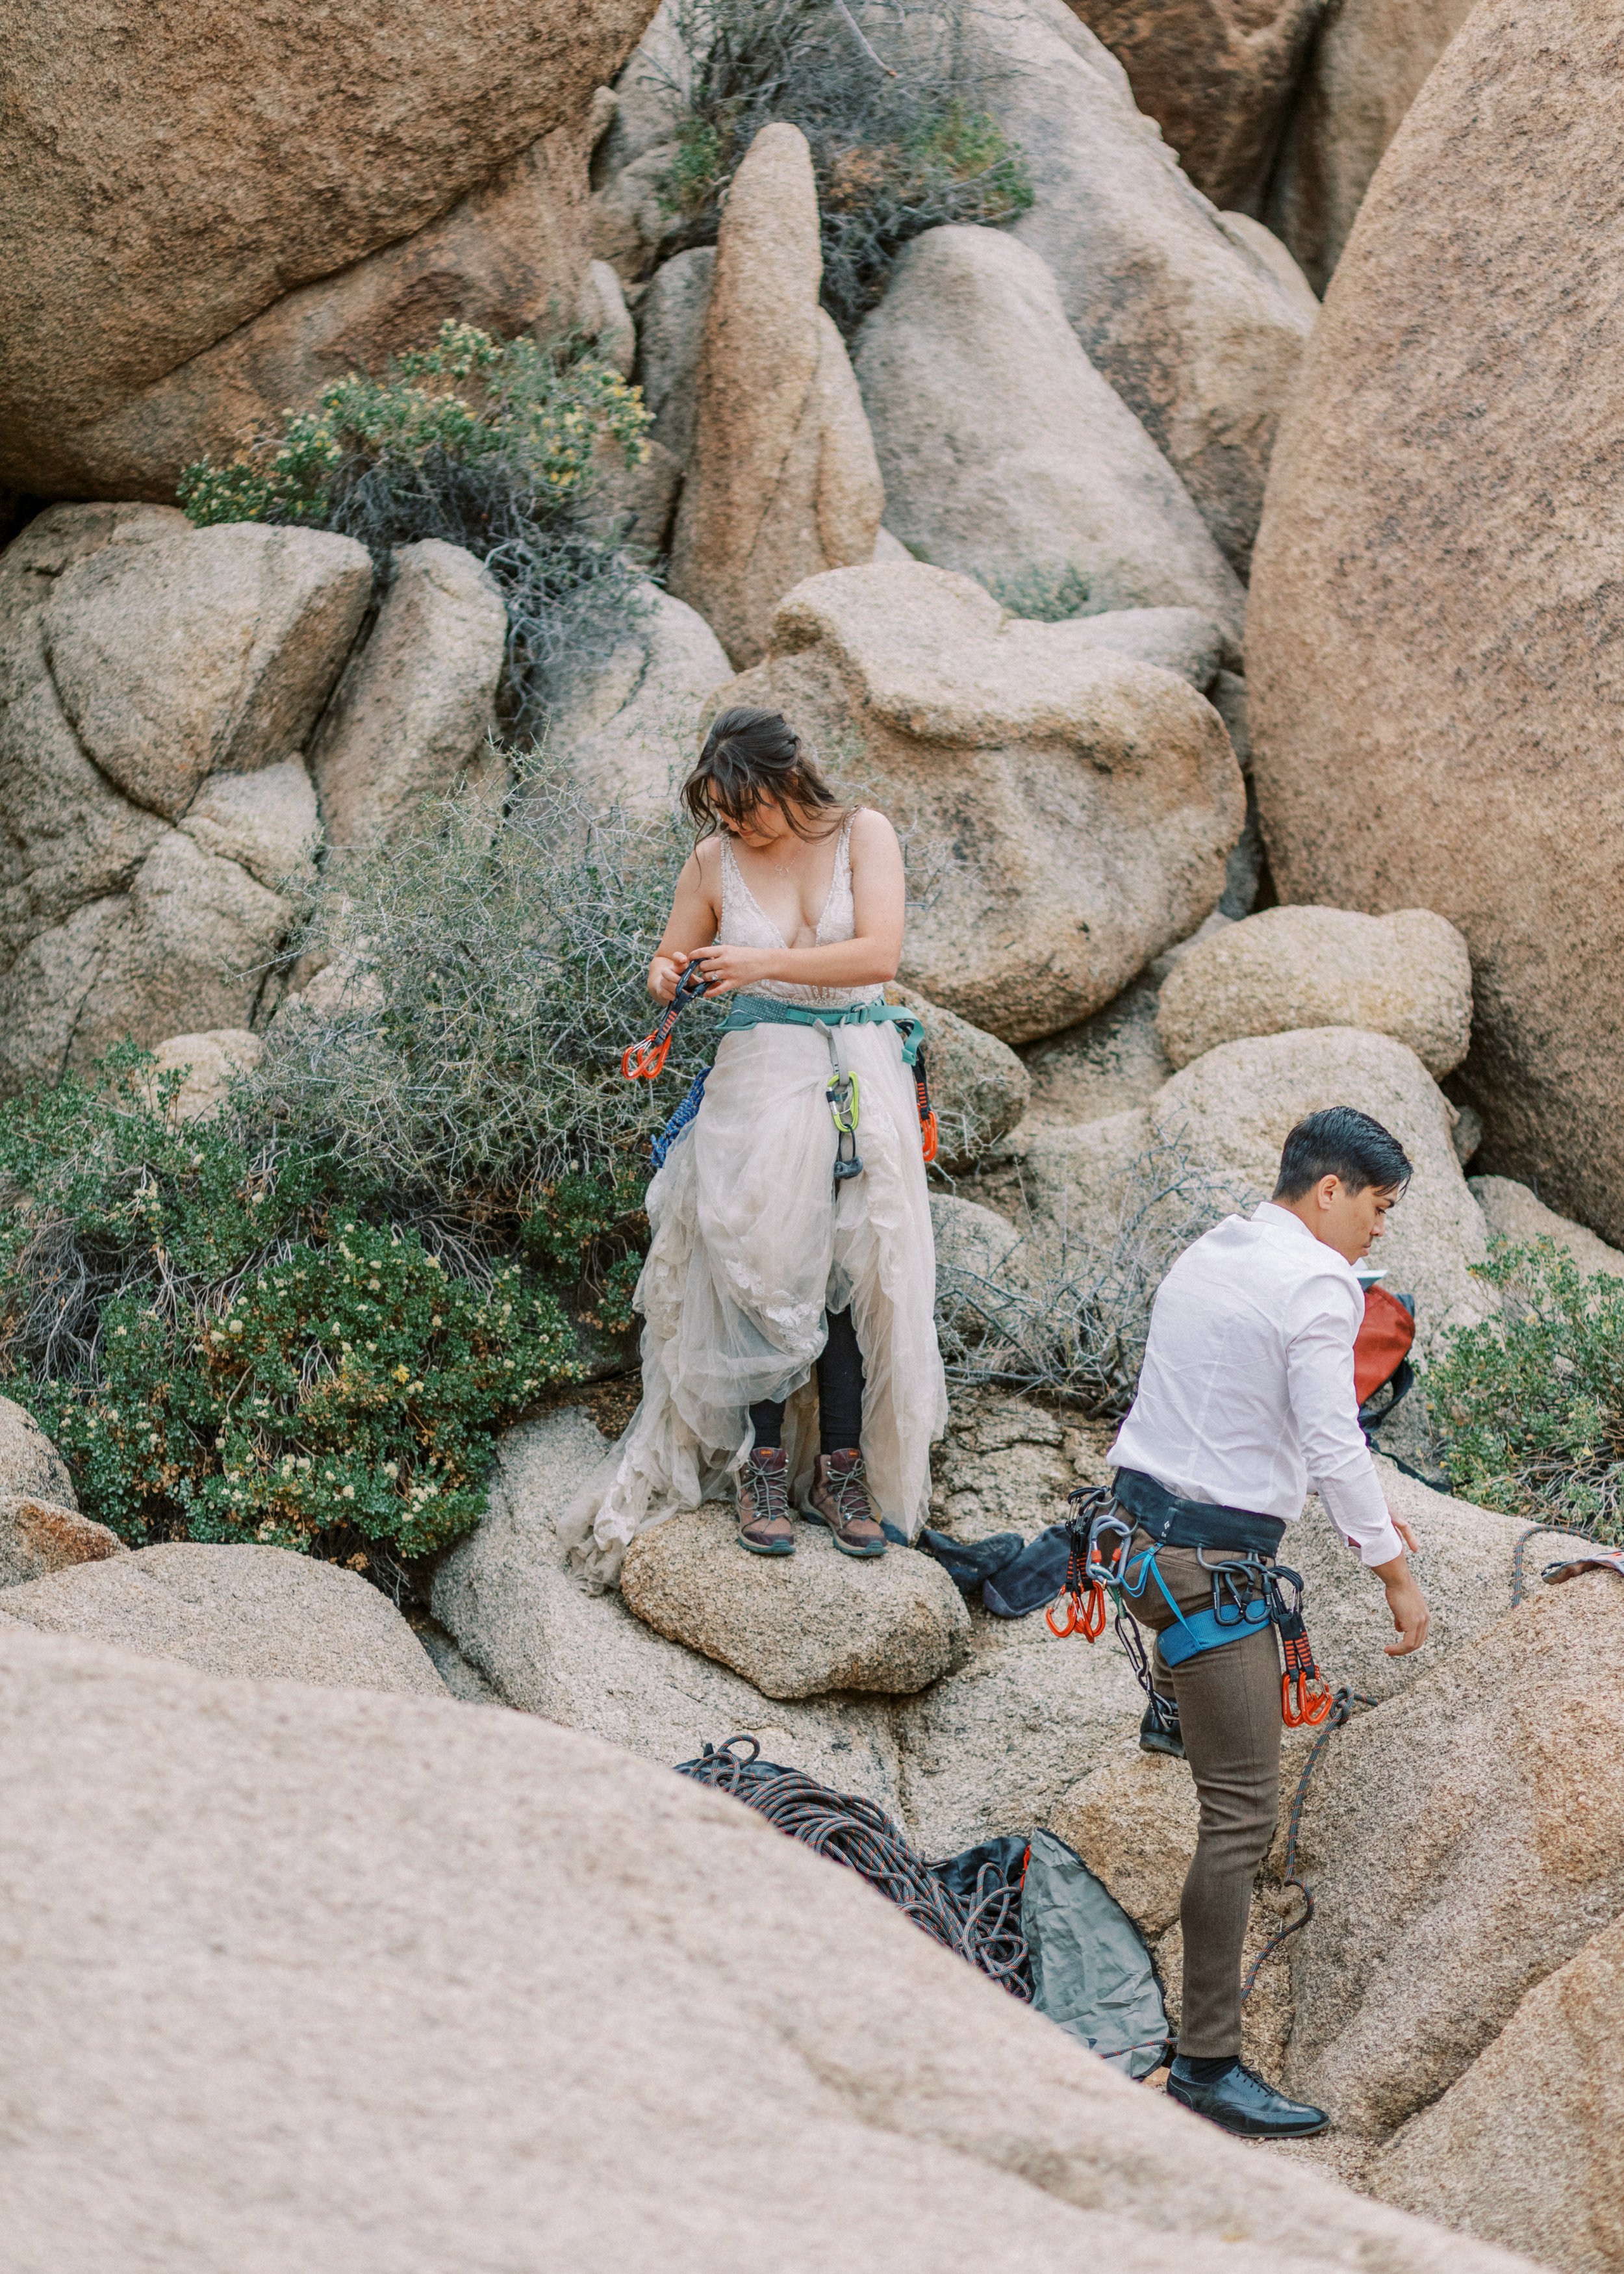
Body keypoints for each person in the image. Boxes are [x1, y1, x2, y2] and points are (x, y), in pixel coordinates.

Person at [559, 707, 948, 1580]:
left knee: (856, 1276)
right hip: (759, 1075)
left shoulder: (864, 834)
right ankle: (762, 1468)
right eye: (723, 816)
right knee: (760, 1269)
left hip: (858, 1064)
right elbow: (669, 955)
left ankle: (842, 1469)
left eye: (747, 810)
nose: (736, 828)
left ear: (787, 782)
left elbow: (878, 953)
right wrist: (669, 972)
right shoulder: (712, 860)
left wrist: (760, 964)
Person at [1106, 1106, 1431, 2140]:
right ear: (1329, 1191)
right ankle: (1207, 2065)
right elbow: (1333, 1439)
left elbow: (1245, 1405)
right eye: (1377, 1207)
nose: (1379, 1231)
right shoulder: (1320, 1283)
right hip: (1210, 1571)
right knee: (1242, 1817)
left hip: (1131, 1543)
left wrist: (1356, 1503)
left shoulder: (1221, 1244)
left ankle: (1174, 1706)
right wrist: (1393, 1571)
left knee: (1212, 1718)